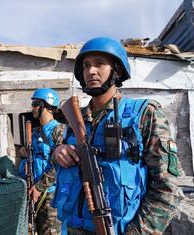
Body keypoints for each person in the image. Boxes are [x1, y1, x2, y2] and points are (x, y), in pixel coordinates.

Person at [51, 37, 181, 234]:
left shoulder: (144, 114)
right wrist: (58, 152)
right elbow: (60, 166)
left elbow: (167, 189)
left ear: (117, 70)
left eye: (99, 64)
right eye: (86, 66)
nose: (91, 71)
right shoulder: (75, 120)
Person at [19, 88, 65, 235]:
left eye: (36, 104)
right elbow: (30, 157)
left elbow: (59, 165)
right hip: (34, 192)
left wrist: (39, 187)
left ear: (47, 106)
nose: (32, 108)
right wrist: (23, 155)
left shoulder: (59, 130)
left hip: (51, 196)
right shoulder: (35, 132)